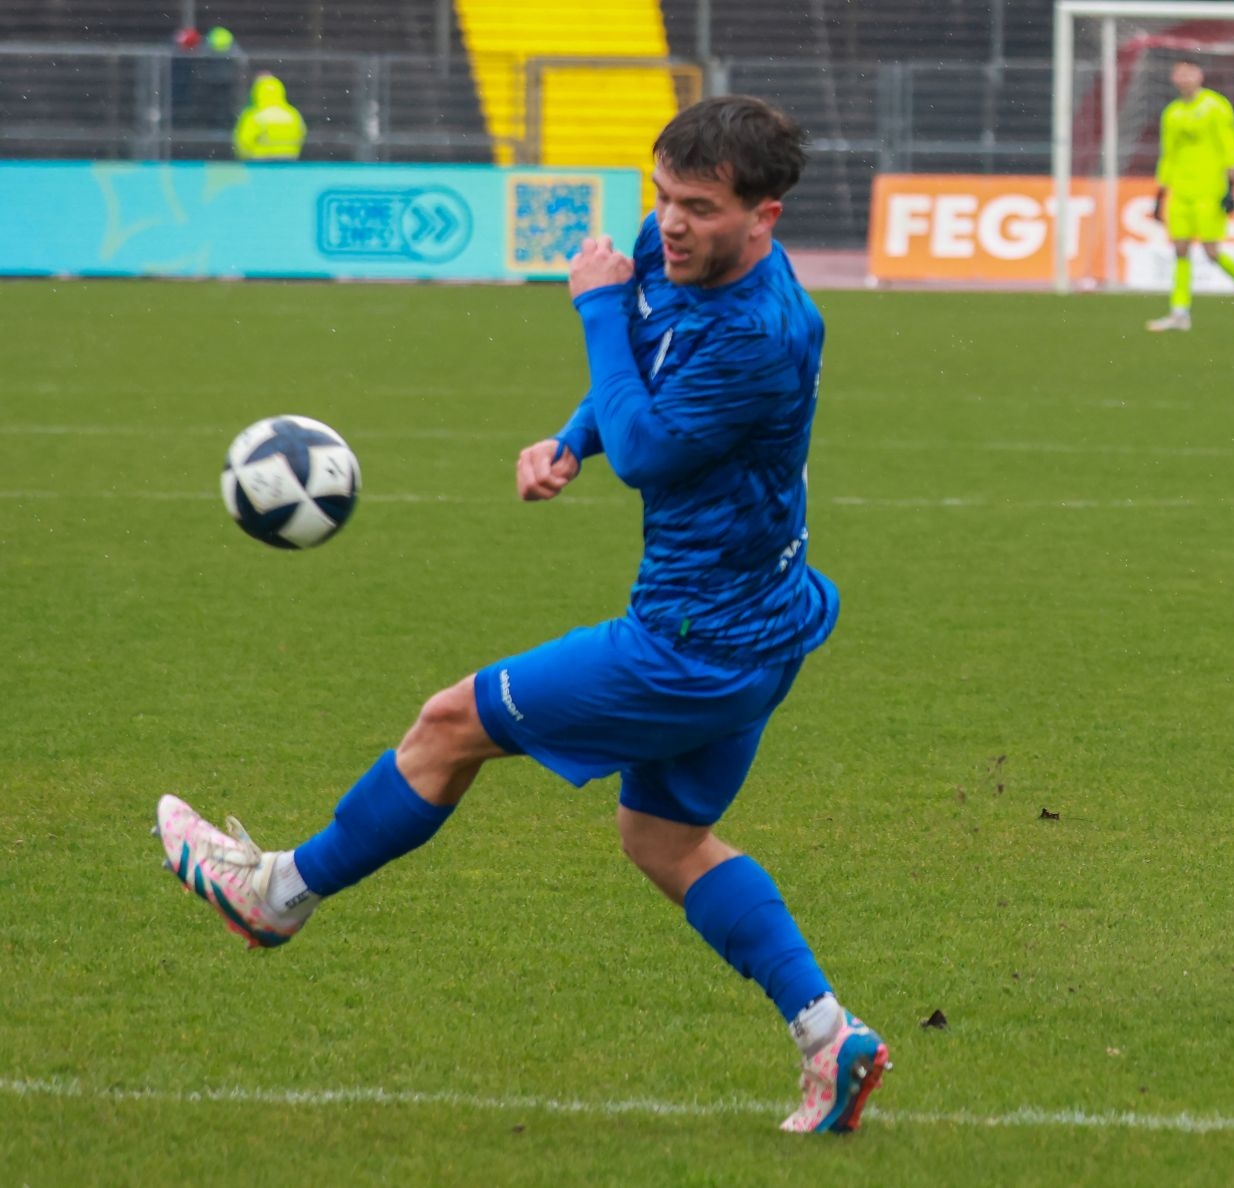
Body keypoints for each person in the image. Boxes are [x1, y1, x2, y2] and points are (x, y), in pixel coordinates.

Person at [156, 96, 890, 1133]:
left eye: (701, 209)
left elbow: (649, 444)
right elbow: (638, 386)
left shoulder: (765, 337)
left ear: (765, 217)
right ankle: (831, 1040)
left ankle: (277, 895)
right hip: (761, 626)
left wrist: (592, 310)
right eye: (663, 197)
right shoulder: (669, 254)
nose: (671, 224)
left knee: (449, 722)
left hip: (694, 642)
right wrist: (566, 441)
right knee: (665, 839)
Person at [1146, 59, 1234, 332]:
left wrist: (1232, 188)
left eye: (1188, 72)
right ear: (1174, 78)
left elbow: (1229, 146)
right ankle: (1180, 312)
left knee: (1211, 252)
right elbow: (1168, 155)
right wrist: (1160, 195)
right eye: (1179, 73)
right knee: (1180, 249)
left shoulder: (1215, 106)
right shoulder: (1171, 113)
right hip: (1181, 191)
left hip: (1210, 189)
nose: (1183, 78)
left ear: (1199, 75)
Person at [233, 73, 306, 162]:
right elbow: (302, 134)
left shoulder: (253, 115)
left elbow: (243, 143)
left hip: (259, 163)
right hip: (288, 161)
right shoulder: (292, 113)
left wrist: (246, 157)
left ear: (256, 91)